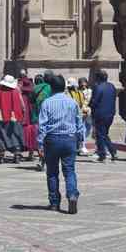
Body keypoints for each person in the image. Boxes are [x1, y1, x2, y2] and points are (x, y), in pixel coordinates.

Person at [37, 73, 84, 213]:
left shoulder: (47, 103)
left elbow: (42, 125)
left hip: (52, 140)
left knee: (52, 172)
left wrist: (40, 144)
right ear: (64, 87)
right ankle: (72, 195)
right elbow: (79, 122)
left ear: (51, 88)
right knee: (69, 171)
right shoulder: (72, 102)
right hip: (69, 139)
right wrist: (80, 139)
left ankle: (54, 202)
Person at [0, 74, 25, 163]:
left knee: (0, 135)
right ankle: (16, 154)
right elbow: (22, 105)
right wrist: (22, 114)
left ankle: (1, 154)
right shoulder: (16, 92)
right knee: (14, 134)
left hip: (0, 116)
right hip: (14, 117)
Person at [90, 68, 118, 162]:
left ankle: (103, 154)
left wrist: (90, 106)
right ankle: (112, 152)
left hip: (100, 114)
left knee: (100, 134)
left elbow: (94, 101)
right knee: (104, 134)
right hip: (110, 114)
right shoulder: (112, 86)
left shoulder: (98, 87)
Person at [66, 77, 89, 156]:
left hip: (73, 116)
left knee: (74, 132)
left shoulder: (68, 93)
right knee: (79, 131)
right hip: (78, 115)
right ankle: (78, 147)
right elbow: (82, 103)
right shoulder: (79, 93)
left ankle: (77, 148)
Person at [18, 73, 38, 161]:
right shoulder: (33, 94)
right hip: (31, 121)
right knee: (31, 137)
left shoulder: (21, 95)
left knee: (21, 135)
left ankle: (19, 153)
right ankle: (31, 153)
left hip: (24, 120)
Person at [78, 76, 92, 150]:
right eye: (82, 84)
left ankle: (81, 142)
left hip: (89, 111)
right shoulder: (78, 92)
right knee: (83, 128)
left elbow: (91, 100)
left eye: (84, 84)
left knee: (88, 128)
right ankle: (82, 145)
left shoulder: (90, 91)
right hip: (81, 112)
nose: (83, 86)